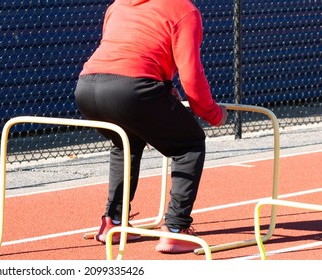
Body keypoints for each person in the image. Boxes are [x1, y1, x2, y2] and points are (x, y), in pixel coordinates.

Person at [73, 0, 228, 254]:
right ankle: (176, 229)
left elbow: (127, 52)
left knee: (126, 142)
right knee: (189, 145)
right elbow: (192, 76)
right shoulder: (184, 10)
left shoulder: (118, 5)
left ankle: (113, 221)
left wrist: (163, 88)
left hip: (87, 88)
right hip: (132, 90)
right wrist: (214, 114)